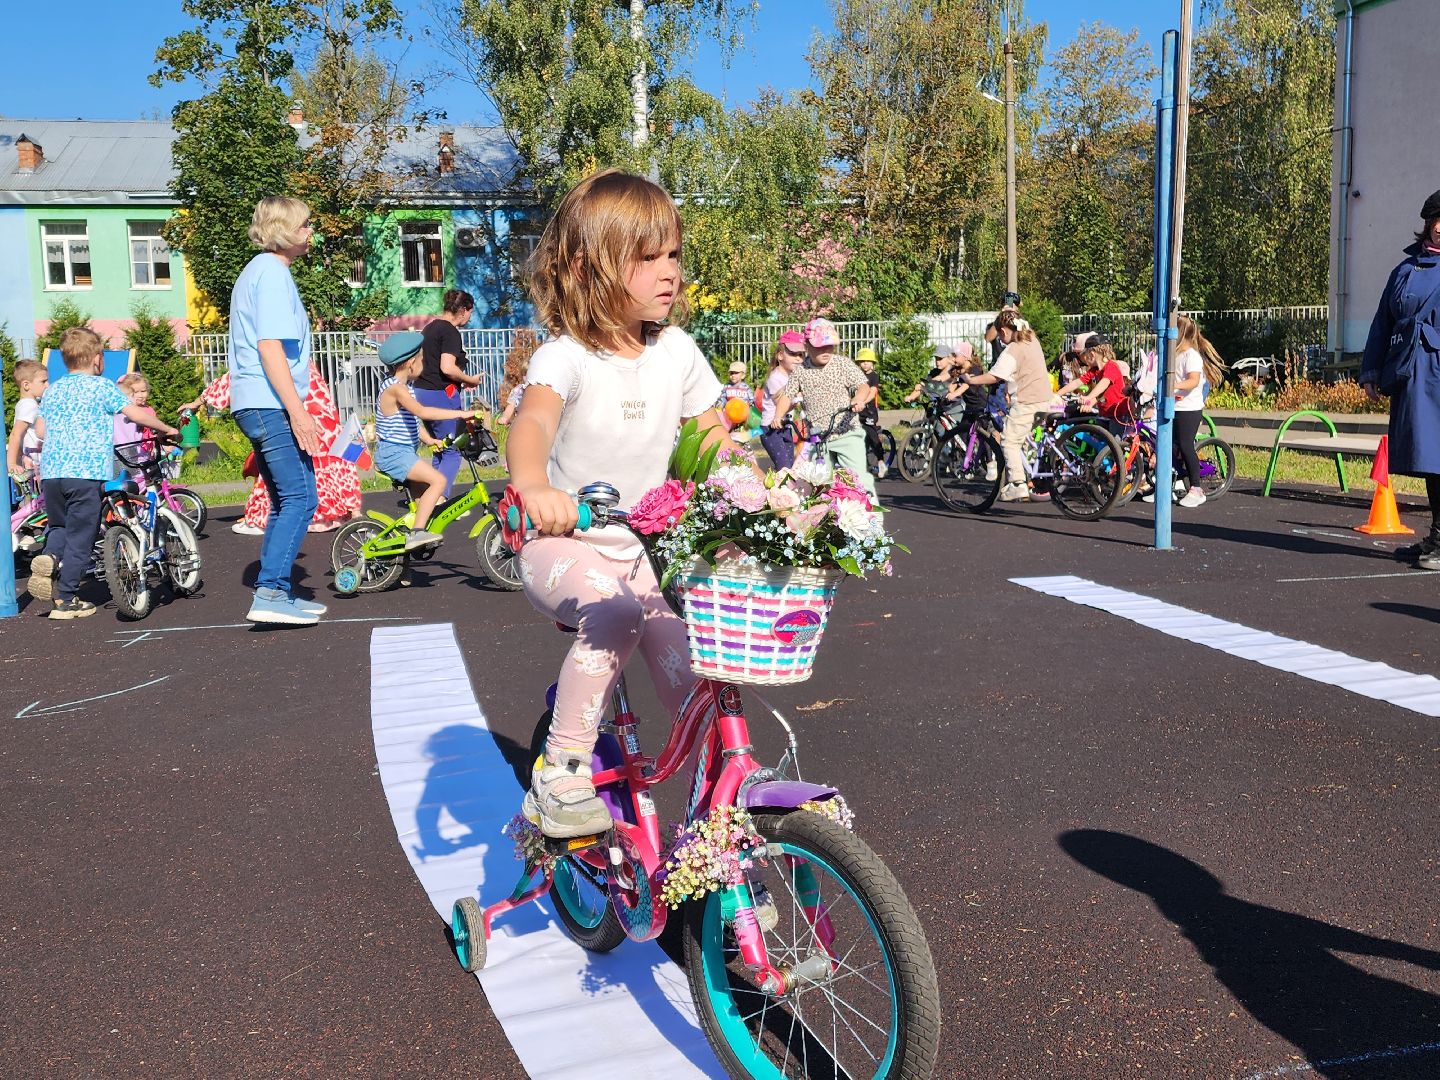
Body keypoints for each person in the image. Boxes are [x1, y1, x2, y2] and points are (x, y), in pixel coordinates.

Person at [507, 169, 733, 838]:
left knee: (692, 670)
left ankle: (725, 821)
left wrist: (758, 497)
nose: (670, 272)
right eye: (647, 256)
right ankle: (562, 766)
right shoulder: (566, 358)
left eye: (673, 254)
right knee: (617, 615)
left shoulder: (680, 353)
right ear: (588, 267)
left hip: (639, 556)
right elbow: (534, 424)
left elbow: (714, 439)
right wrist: (533, 485)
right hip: (563, 547)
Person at [27, 328, 177, 619]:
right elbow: (135, 413)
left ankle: (48, 556)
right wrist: (166, 428)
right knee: (83, 535)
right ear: (97, 359)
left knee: (59, 527)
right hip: (85, 473)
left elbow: (41, 430)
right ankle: (68, 599)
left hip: (52, 474)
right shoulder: (101, 387)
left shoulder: (54, 389)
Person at [228, 195, 325, 627]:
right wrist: (298, 411)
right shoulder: (271, 274)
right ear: (284, 230)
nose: (310, 232)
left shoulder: (261, 272)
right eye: (304, 224)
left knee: (288, 498)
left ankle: (278, 590)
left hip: (257, 401)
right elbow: (270, 348)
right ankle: (270, 591)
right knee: (302, 497)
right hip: (269, 403)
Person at [182, 363, 360, 536]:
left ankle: (266, 517)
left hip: (295, 411)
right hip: (317, 405)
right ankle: (341, 511)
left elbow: (239, 377)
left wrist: (199, 401)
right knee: (328, 454)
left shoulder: (270, 350)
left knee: (280, 463)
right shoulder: (302, 359)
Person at [1362, 190, 1440, 568]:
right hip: (1412, 374)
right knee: (1428, 458)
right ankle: (1438, 534)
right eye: (1435, 220)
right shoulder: (1405, 271)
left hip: (1437, 376)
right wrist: (1371, 371)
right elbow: (1382, 323)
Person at [372, 331, 482, 549]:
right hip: (394, 454)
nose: (424, 363)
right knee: (439, 481)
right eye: (422, 359)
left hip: (403, 453)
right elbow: (423, 412)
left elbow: (408, 423)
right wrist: (460, 414)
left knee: (424, 506)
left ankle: (403, 561)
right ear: (411, 363)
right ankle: (416, 534)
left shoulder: (405, 389)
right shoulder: (396, 389)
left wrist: (431, 440)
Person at [767, 317, 877, 500]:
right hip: (818, 438)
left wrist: (858, 399)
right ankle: (828, 521)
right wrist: (778, 415)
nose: (826, 351)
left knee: (858, 479)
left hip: (846, 431)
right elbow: (787, 395)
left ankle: (872, 520)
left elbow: (862, 385)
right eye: (820, 347)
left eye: (830, 346)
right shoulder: (801, 370)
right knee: (819, 484)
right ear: (807, 346)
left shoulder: (842, 364)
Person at [959, 310, 1052, 502]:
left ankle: (1018, 483)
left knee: (1009, 441)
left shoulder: (1013, 349)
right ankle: (1027, 469)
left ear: (1003, 330)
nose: (1000, 340)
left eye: (1000, 335)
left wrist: (971, 380)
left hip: (1028, 402)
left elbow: (996, 375)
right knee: (1022, 438)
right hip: (1045, 399)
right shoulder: (1032, 340)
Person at [415, 289, 482, 496]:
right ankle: (439, 500)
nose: (470, 317)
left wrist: (460, 381)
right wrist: (470, 379)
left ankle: (431, 498)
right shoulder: (450, 331)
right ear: (462, 310)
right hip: (440, 394)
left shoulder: (430, 328)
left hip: (422, 391)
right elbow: (447, 367)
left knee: (439, 448)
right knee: (452, 451)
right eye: (470, 312)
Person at [1165, 316, 1227, 509]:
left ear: (1181, 334)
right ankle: (1173, 482)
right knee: (1167, 447)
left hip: (1189, 409)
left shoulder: (1191, 356)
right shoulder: (1173, 355)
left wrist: (1173, 386)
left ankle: (1197, 489)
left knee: (1185, 445)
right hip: (1174, 406)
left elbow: (1193, 381)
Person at [758, 332, 805, 469]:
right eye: (793, 354)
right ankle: (777, 489)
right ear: (780, 355)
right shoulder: (775, 378)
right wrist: (799, 396)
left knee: (789, 466)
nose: (798, 359)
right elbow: (782, 404)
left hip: (785, 426)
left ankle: (784, 489)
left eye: (800, 355)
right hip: (771, 429)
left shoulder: (791, 377)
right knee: (784, 467)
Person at [1059, 335, 1129, 421]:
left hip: (1118, 415)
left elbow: (1104, 383)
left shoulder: (1111, 366)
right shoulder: (1095, 370)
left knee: (1111, 434)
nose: (1083, 360)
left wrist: (1089, 397)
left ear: (1092, 355)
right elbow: (1078, 382)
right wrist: (1058, 394)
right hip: (1105, 414)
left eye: (1084, 356)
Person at [6, 359, 47, 477]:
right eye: (43, 381)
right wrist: (12, 463)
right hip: (34, 464)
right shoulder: (29, 405)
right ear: (26, 385)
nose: (47, 385)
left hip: (34, 462)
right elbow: (16, 434)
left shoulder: (26, 403)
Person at [855, 346, 888, 478]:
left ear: (873, 363)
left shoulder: (874, 376)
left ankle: (881, 462)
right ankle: (863, 465)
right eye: (862, 361)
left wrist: (864, 401)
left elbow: (873, 391)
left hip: (869, 411)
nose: (865, 364)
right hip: (858, 410)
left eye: (868, 361)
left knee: (873, 436)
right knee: (859, 438)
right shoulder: (857, 376)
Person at [984, 291, 1022, 362]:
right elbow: (988, 338)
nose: (1010, 307)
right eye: (1007, 304)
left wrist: (1015, 317)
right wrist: (1002, 316)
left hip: (1015, 364)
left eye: (1013, 305)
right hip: (998, 365)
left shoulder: (1021, 323)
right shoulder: (994, 325)